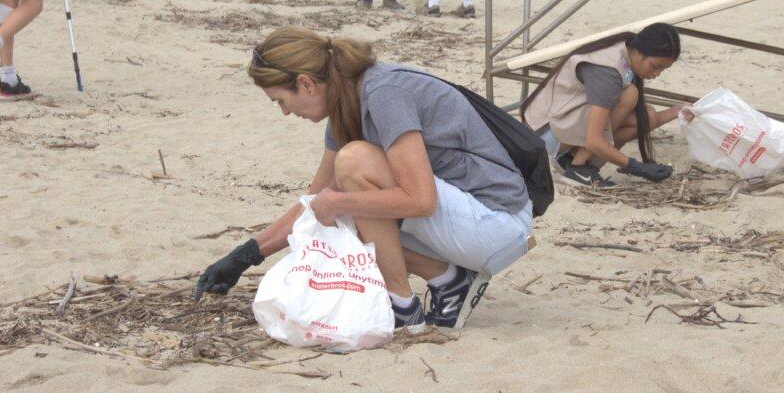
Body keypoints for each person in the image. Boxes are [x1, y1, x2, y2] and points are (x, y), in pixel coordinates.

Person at [195, 27, 534, 332]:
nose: (284, 112)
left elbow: (421, 200)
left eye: (280, 101)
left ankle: (403, 308)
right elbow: (313, 206)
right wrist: (244, 256)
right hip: (467, 222)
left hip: (497, 223)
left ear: (306, 84)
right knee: (337, 212)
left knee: (353, 170)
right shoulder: (346, 102)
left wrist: (340, 201)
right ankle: (448, 279)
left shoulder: (384, 93)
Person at [521, 23, 691, 187]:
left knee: (648, 116)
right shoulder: (608, 70)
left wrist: (677, 111)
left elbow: (644, 121)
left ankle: (576, 161)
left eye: (663, 69)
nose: (657, 74)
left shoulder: (624, 50)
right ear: (639, 52)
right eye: (656, 66)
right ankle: (579, 167)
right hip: (544, 137)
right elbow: (594, 140)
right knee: (630, 95)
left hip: (560, 129)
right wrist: (636, 167)